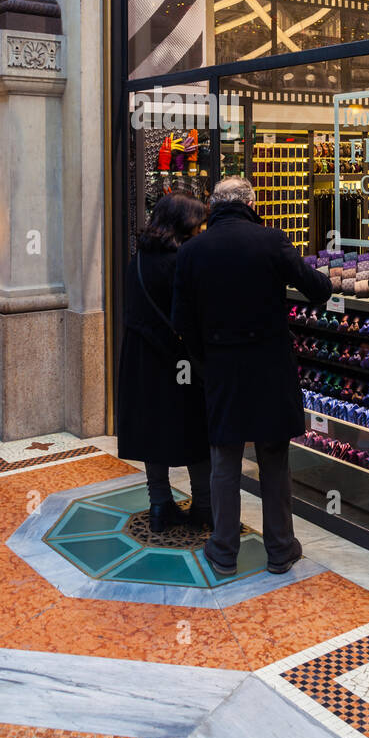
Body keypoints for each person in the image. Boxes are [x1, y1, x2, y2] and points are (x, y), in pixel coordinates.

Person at [172, 176, 332, 575]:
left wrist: (205, 360)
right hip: (269, 366)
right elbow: (317, 289)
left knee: (224, 458)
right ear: (250, 203)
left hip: (223, 368)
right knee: (274, 458)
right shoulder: (271, 240)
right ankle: (280, 549)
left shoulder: (192, 251)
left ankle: (224, 549)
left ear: (214, 206)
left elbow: (181, 320)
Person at [117, 190, 212, 532]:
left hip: (142, 360)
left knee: (152, 433)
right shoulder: (183, 261)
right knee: (195, 434)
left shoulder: (138, 259)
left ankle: (160, 506)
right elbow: (193, 316)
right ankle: (203, 507)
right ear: (183, 224)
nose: (201, 230)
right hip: (180, 363)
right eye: (197, 224)